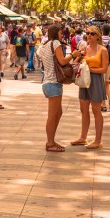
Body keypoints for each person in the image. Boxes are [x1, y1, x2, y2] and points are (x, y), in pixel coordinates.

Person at [70, 25, 109, 149]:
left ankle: (98, 140)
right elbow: (74, 63)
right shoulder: (84, 48)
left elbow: (104, 69)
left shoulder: (102, 50)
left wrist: (89, 69)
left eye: (92, 33)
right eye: (88, 33)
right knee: (83, 109)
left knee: (96, 110)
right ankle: (83, 137)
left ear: (98, 36)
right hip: (84, 81)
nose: (89, 35)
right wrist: (78, 56)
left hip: (96, 81)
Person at [39, 24, 73, 152]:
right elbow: (62, 61)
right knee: (53, 115)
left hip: (48, 83)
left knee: (58, 113)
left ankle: (52, 140)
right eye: (60, 32)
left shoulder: (44, 46)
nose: (62, 34)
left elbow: (40, 55)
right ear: (56, 33)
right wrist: (73, 55)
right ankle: (50, 142)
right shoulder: (56, 43)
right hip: (53, 83)